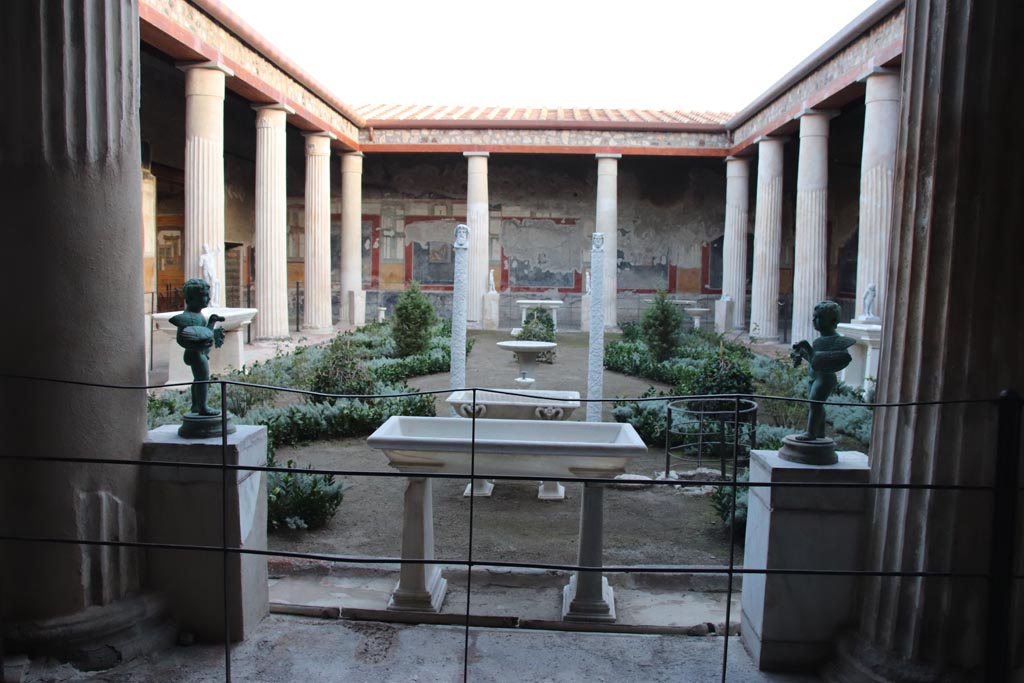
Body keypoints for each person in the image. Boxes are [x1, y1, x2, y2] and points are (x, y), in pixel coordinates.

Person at [789, 300, 855, 440]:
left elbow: (827, 360)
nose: (813, 320)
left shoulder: (837, 341)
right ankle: (819, 432)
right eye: (814, 316)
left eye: (818, 317)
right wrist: (802, 354)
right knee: (817, 405)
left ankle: (811, 433)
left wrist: (807, 348)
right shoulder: (821, 340)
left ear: (831, 320)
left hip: (825, 378)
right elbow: (815, 362)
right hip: (815, 376)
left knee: (815, 404)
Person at [169, 279, 226, 415]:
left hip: (199, 353)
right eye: (204, 295)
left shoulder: (197, 315)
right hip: (195, 354)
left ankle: (196, 406)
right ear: (191, 298)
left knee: (198, 379)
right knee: (203, 379)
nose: (208, 298)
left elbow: (205, 333)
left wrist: (212, 321)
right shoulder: (188, 317)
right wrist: (197, 344)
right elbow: (182, 338)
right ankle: (203, 407)